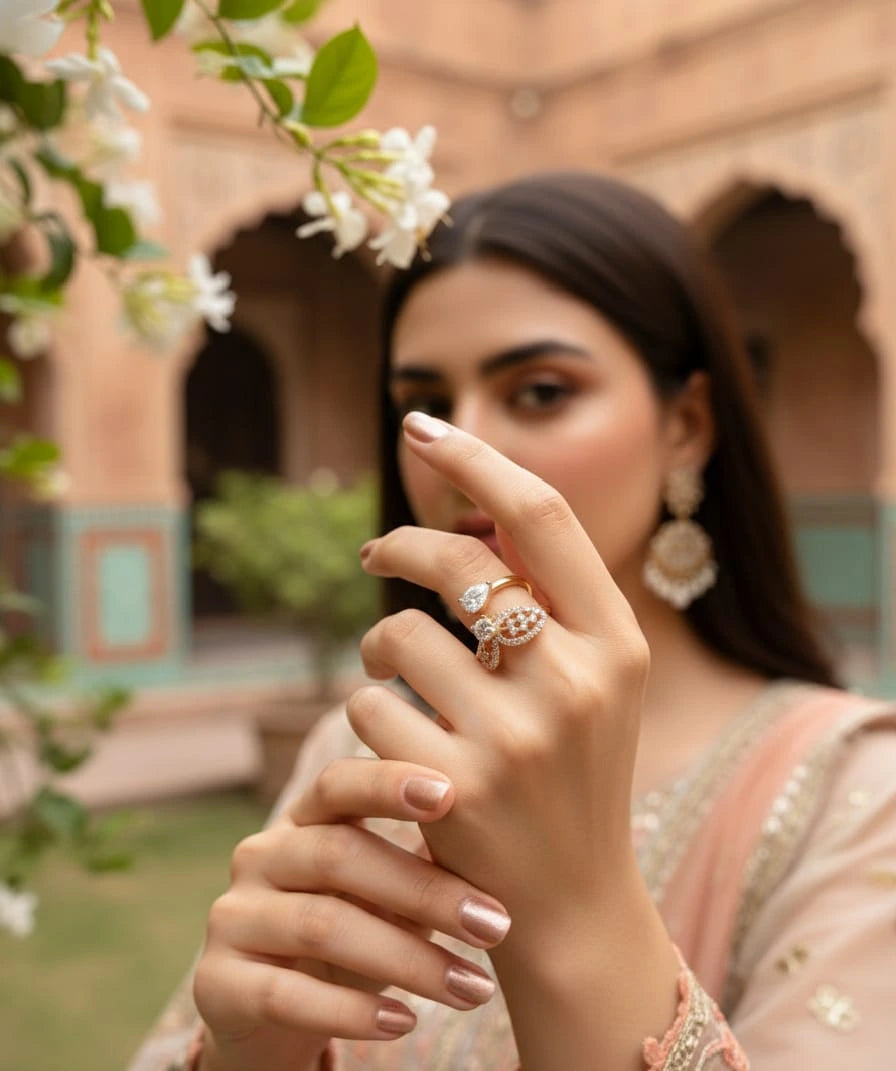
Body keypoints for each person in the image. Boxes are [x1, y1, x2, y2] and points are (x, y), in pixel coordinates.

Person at [129, 172, 896, 1071]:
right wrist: (254, 1055)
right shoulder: (367, 748)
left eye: (539, 391)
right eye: (426, 405)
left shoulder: (858, 794)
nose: (466, 449)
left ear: (686, 426)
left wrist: (578, 916)